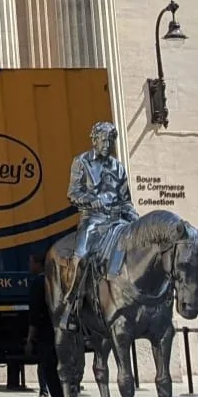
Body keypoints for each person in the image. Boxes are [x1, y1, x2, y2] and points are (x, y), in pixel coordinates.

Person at [57, 120, 138, 332]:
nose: (107, 144)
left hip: (117, 220)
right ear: (94, 140)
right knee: (82, 257)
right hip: (92, 219)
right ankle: (71, 306)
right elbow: (72, 193)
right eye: (103, 140)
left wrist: (132, 214)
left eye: (110, 141)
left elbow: (125, 198)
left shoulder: (117, 166)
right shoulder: (81, 162)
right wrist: (90, 200)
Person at [25, 248, 69, 397]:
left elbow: (34, 315)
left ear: (38, 264)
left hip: (46, 338)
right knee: (63, 382)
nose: (29, 266)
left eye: (31, 262)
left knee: (53, 380)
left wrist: (29, 340)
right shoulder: (59, 282)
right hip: (62, 337)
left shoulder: (38, 284)